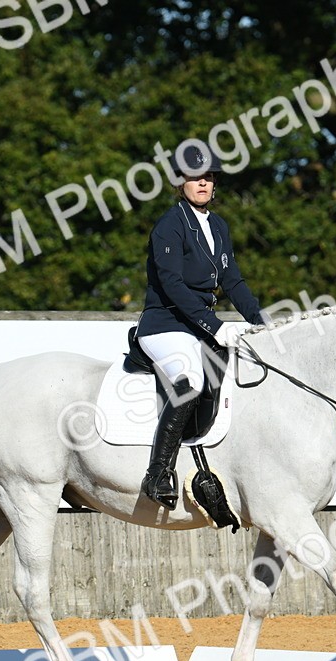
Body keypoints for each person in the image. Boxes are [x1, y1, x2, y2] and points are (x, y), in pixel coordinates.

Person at [136, 140, 267, 509]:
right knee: (192, 379)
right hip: (164, 325)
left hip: (199, 326)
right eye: (196, 178)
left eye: (209, 177)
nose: (204, 183)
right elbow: (173, 284)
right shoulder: (169, 226)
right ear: (181, 182)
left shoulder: (219, 226)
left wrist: (262, 323)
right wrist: (214, 323)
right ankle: (158, 472)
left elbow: (234, 282)